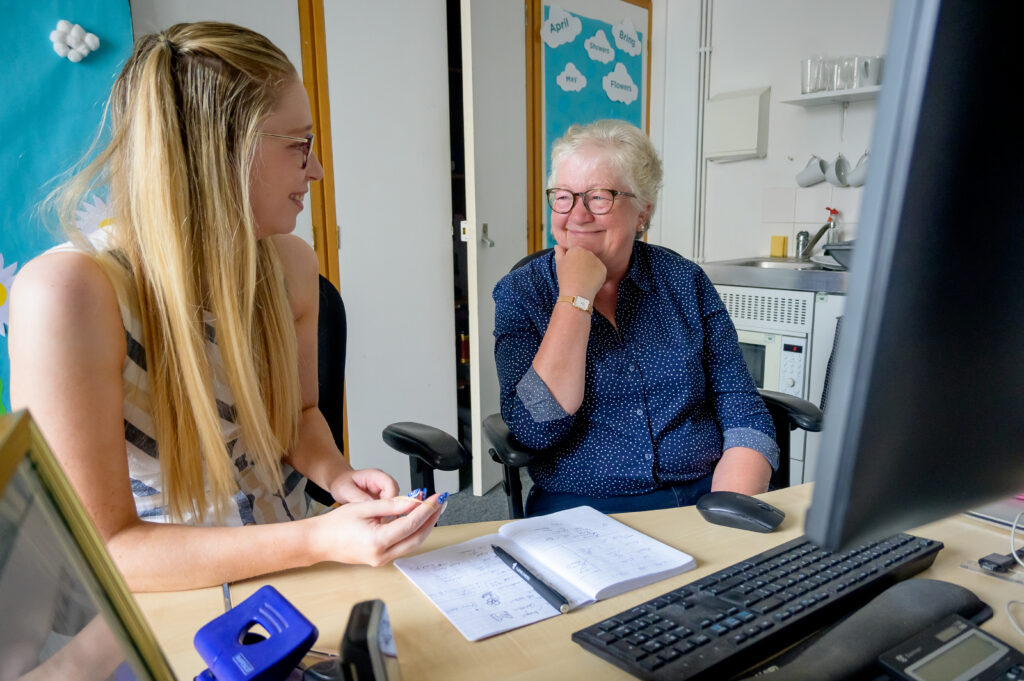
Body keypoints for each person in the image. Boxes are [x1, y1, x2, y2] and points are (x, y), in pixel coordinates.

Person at [7, 22, 445, 592]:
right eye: (299, 145)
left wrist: (338, 477)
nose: (314, 170)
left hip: (294, 568)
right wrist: (317, 540)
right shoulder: (69, 294)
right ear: (222, 150)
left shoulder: (289, 264)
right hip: (163, 596)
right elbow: (100, 550)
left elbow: (299, 417)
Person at [493, 119, 778, 517]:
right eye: (563, 196)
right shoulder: (522, 293)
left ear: (643, 209)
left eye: (598, 197)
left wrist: (727, 513)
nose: (577, 215)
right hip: (583, 510)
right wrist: (575, 298)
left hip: (702, 496)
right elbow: (536, 428)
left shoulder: (685, 282)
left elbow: (741, 408)